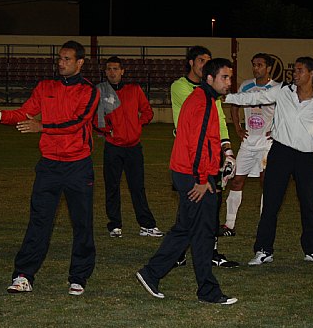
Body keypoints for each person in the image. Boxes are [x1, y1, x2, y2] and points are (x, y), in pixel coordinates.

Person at [0, 40, 100, 296]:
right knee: (39, 221)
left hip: (78, 166)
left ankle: (79, 277)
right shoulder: (45, 87)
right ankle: (24, 275)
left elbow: (76, 123)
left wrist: (42, 127)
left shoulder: (89, 91)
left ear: (80, 62)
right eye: (59, 58)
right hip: (49, 166)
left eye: (67, 59)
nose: (60, 62)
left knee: (82, 223)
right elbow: (25, 113)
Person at [225, 56, 313, 266]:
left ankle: (312, 249)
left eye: (300, 71)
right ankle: (263, 250)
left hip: (307, 158)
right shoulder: (283, 91)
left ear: (311, 73)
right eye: (294, 71)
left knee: (308, 204)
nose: (295, 74)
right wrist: (225, 97)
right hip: (280, 153)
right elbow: (255, 98)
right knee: (271, 202)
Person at [136, 58, 238, 305]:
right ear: (210, 78)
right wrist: (202, 180)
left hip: (193, 173)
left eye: (230, 77)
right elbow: (198, 144)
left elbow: (206, 141)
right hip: (194, 176)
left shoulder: (206, 100)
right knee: (197, 232)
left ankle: (156, 274)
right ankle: (201, 288)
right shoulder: (202, 102)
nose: (229, 82)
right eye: (224, 77)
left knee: (192, 229)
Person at [170, 45, 238, 268]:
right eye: (201, 61)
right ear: (191, 63)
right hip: (192, 157)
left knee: (210, 205)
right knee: (191, 210)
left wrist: (226, 150)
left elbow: (219, 122)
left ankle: (208, 254)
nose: (204, 64)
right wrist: (201, 177)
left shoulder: (211, 96)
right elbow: (195, 131)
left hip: (209, 153)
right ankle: (173, 255)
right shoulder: (185, 90)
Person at [95, 56, 163, 238]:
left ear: (122, 71)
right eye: (109, 69)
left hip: (133, 147)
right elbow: (95, 117)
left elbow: (148, 111)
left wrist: (136, 124)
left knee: (137, 187)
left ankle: (146, 225)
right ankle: (114, 225)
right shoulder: (101, 91)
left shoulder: (134, 90)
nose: (112, 72)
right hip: (113, 148)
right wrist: (108, 131)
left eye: (115, 68)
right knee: (112, 187)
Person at [219, 53, 278, 236]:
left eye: (260, 65)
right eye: (254, 65)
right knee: (236, 181)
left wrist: (277, 131)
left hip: (267, 144)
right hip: (247, 142)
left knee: (266, 183)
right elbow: (235, 106)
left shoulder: (277, 88)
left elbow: (286, 112)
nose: (256, 68)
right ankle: (229, 225)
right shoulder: (246, 86)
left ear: (268, 68)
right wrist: (237, 128)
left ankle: (264, 225)